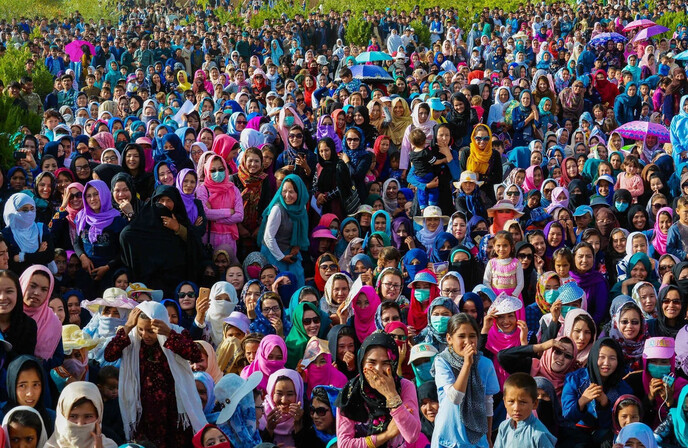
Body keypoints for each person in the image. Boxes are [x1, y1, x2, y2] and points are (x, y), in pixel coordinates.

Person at [104, 301, 207, 447]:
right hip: (143, 413)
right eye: (140, 329)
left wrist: (169, 333)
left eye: (150, 331)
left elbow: (195, 355)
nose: (145, 335)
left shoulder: (176, 333)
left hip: (174, 413)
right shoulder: (131, 338)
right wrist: (127, 327)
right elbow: (109, 355)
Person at [336, 332, 424, 448]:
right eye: (372, 362)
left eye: (386, 363)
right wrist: (386, 435)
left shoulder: (405, 387)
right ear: (362, 363)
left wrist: (391, 394)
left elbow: (412, 435)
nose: (378, 370)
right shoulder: (350, 393)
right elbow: (344, 445)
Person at [44, 381, 118, 448]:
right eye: (73, 416)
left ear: (98, 417)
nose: (80, 423)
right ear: (62, 417)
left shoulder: (109, 446)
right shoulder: (50, 446)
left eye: (88, 416)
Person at [493, 372, 556, 448]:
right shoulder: (504, 427)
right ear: (505, 403)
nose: (516, 408)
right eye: (511, 401)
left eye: (522, 402)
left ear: (535, 404)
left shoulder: (539, 434)